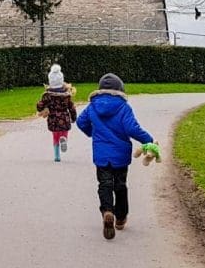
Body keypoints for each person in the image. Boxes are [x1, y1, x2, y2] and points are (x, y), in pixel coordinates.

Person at [75, 73, 157, 239]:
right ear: (120, 89)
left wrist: (93, 133)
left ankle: (107, 211)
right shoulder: (123, 107)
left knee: (104, 183)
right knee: (120, 185)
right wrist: (148, 140)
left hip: (101, 154)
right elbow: (132, 128)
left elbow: (80, 122)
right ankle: (120, 218)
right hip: (120, 154)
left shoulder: (92, 106)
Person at [35, 63, 77, 162]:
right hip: (64, 117)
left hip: (53, 117)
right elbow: (71, 107)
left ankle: (57, 155)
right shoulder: (67, 95)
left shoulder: (47, 95)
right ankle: (64, 139)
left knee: (55, 136)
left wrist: (40, 108)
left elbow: (40, 105)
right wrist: (74, 117)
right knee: (64, 132)